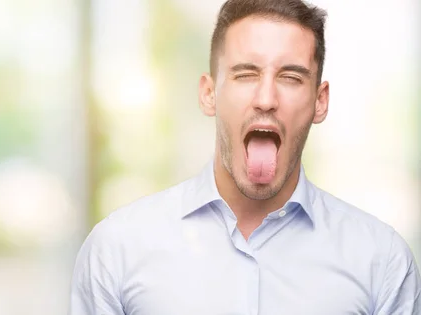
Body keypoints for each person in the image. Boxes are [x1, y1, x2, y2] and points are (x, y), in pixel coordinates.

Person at [68, 0, 421, 314]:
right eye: (246, 74)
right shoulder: (117, 249)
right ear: (209, 94)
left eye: (291, 77)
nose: (266, 98)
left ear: (320, 101)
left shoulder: (381, 260)